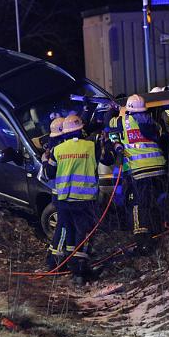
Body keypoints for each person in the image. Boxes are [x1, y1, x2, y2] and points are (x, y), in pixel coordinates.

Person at [43, 114, 105, 281]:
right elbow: (107, 159)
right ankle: (79, 271)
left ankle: (56, 263)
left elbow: (49, 173)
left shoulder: (58, 150)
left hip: (64, 199)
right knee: (83, 234)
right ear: (80, 130)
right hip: (85, 199)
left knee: (65, 230)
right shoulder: (91, 147)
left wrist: (45, 160)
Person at [106, 94, 166, 255]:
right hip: (158, 167)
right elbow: (162, 137)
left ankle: (142, 240)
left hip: (138, 169)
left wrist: (112, 110)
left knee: (137, 203)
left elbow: (107, 124)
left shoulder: (123, 121)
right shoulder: (152, 122)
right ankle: (158, 230)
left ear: (129, 109)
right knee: (153, 200)